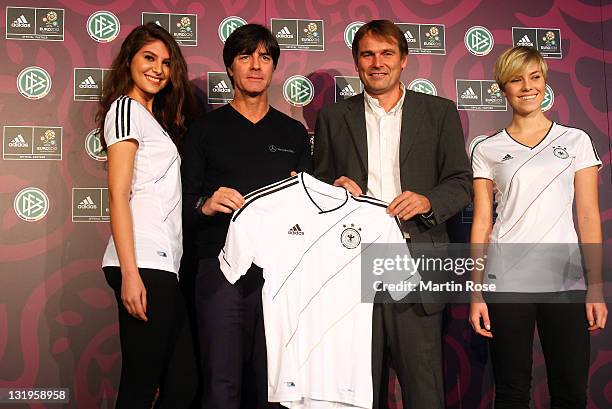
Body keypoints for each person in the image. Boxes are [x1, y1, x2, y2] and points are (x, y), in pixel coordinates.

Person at [313, 19, 472, 409]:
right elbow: (317, 188)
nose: (377, 62)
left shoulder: (439, 112)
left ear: (404, 60)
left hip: (416, 259)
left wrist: (428, 202)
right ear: (356, 62)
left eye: (386, 53)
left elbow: (461, 182)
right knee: (357, 392)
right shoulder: (334, 118)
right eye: (367, 54)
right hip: (353, 265)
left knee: (423, 391)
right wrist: (333, 190)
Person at [468, 46, 608, 409]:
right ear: (503, 88)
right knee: (512, 392)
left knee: (571, 391)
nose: (527, 87)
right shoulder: (487, 148)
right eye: (516, 79)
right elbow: (483, 221)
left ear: (545, 83)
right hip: (507, 279)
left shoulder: (576, 141)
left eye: (534, 77)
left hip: (565, 279)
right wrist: (476, 292)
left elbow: (589, 216)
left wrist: (594, 288)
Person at [181, 24, 312, 409]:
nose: (255, 66)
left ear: (273, 69)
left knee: (275, 386)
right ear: (230, 69)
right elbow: (182, 205)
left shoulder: (293, 133)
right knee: (221, 386)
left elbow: (309, 213)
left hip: (281, 275)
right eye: (245, 57)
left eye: (265, 58)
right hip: (219, 269)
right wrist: (205, 204)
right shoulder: (203, 131)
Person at [97, 23, 198, 409]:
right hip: (142, 263)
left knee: (182, 380)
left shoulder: (150, 118)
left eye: (166, 62)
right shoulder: (125, 109)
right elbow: (118, 196)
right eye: (149, 57)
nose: (158, 68)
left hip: (162, 264)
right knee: (141, 385)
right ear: (130, 61)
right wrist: (130, 274)